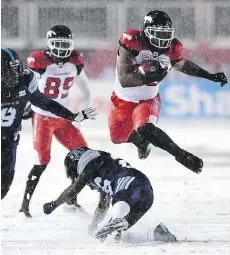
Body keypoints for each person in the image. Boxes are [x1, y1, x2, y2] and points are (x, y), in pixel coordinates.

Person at [108, 11, 228, 169]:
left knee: (145, 127)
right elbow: (124, 80)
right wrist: (146, 74)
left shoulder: (173, 48)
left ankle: (181, 155)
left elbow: (183, 65)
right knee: (117, 138)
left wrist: (209, 75)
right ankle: (141, 141)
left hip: (148, 99)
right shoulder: (132, 40)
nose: (163, 39)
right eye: (158, 34)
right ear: (146, 32)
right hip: (122, 99)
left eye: (166, 34)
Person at [1, 48, 96, 200]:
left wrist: (71, 115)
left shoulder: (25, 79)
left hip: (10, 139)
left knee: (3, 186)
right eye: (7, 70)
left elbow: (44, 102)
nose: (15, 74)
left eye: (16, 68)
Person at [19, 25, 93, 217]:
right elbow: (29, 87)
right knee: (41, 161)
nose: (62, 49)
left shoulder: (75, 61)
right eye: (58, 45)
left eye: (65, 44)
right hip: (43, 118)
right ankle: (24, 206)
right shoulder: (39, 61)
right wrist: (26, 105)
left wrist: (81, 117)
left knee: (83, 156)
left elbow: (86, 90)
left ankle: (72, 200)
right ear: (49, 45)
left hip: (63, 118)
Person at [43, 147, 177, 243]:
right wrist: (94, 225)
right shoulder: (103, 167)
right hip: (144, 192)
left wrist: (54, 204)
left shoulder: (90, 165)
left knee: (115, 220)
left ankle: (117, 220)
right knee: (113, 236)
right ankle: (155, 234)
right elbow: (102, 205)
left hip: (129, 183)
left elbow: (74, 189)